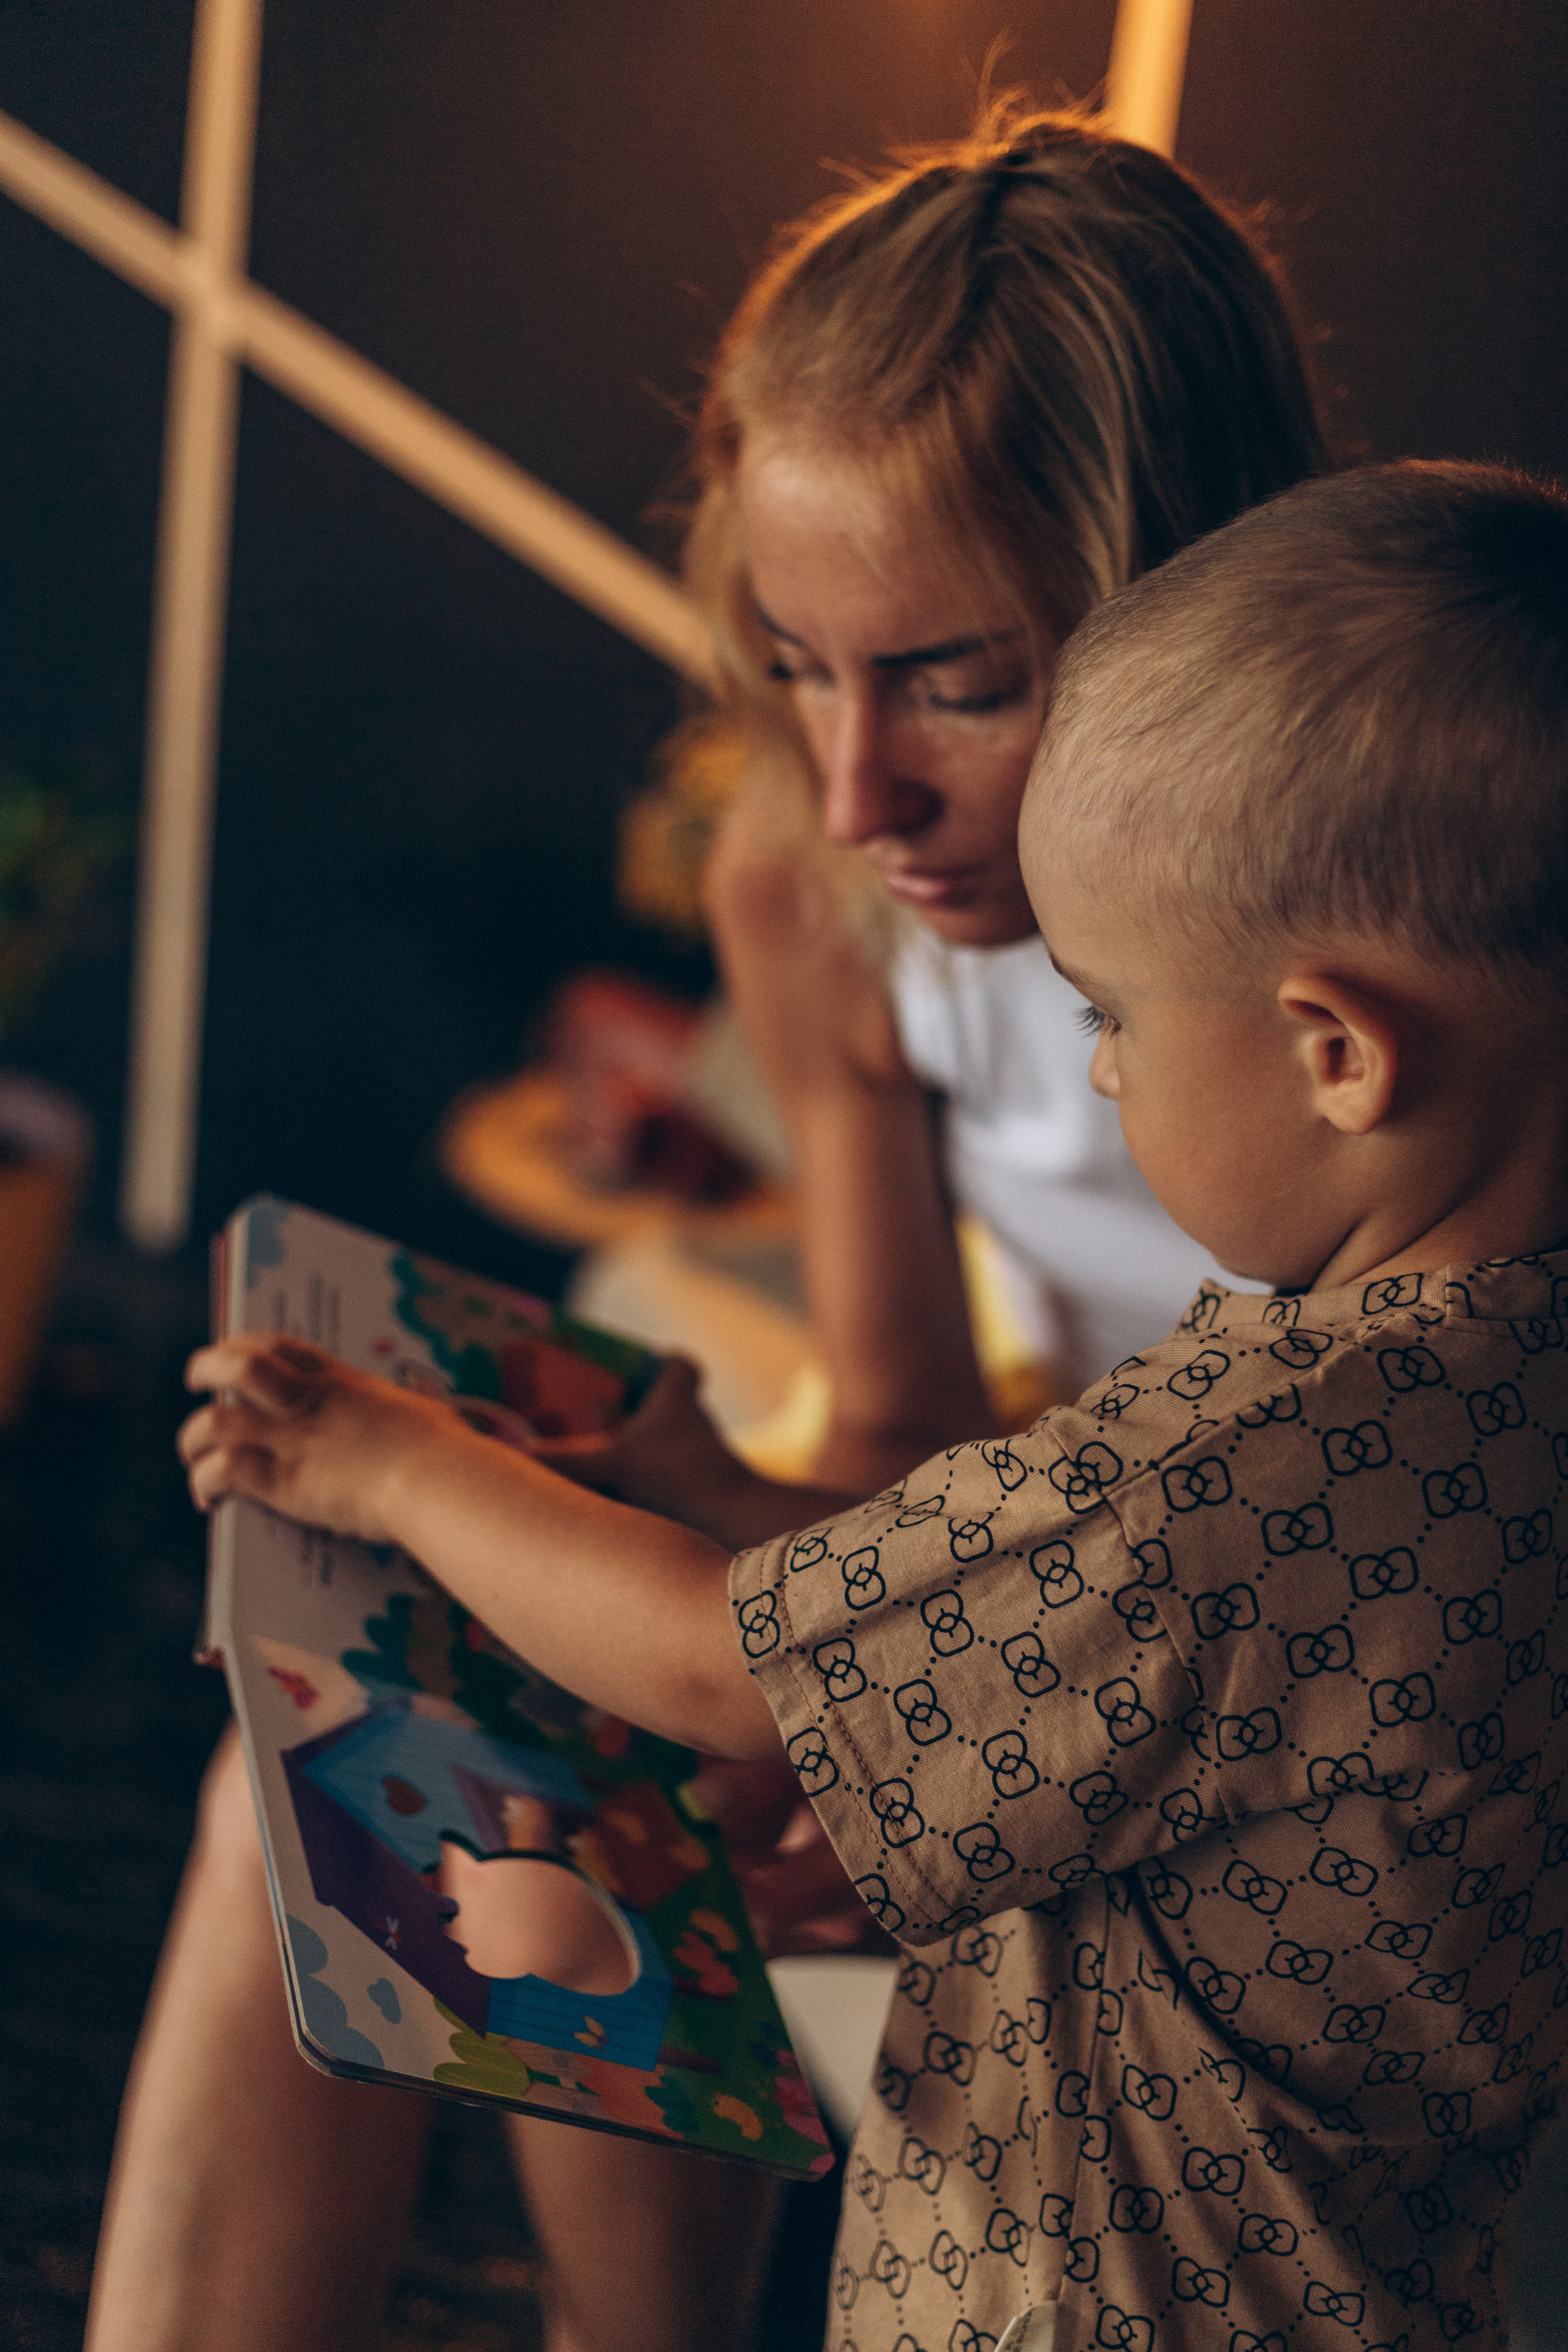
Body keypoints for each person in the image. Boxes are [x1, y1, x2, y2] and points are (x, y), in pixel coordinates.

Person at [86, 99, 1330, 2352]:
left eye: (962, 682)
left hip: (1286, 1757)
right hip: (1016, 1631)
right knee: (317, 1749)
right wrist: (696, 1513)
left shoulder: (1364, 987)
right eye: (796, 665)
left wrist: (907, 1736)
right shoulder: (816, 884)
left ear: (1195, 604)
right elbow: (908, 1452)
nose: (864, 794)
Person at [171, 459, 1568, 2352]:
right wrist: (700, 1483)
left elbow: (720, 1671)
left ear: (1335, 1050)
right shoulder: (1483, 1395)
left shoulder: (1244, 1463)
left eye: (1114, 1020)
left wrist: (393, 1464)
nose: (1100, 1074)